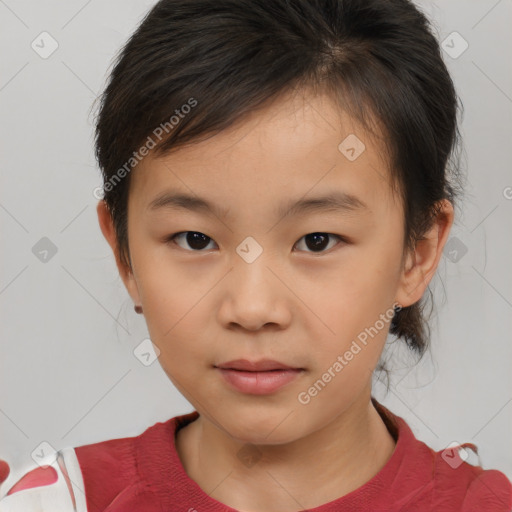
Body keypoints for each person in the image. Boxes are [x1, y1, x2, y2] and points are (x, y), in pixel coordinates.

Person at [1, 0, 511, 510]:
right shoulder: (53, 501)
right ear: (125, 254)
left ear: (416, 255)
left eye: (317, 240)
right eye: (195, 239)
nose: (252, 308)